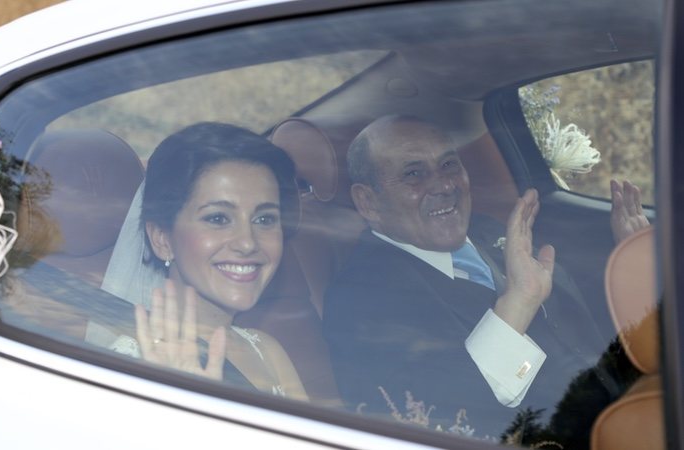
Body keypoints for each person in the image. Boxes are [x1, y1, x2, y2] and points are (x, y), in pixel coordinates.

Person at [322, 115, 649, 438]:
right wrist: (518, 304)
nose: (444, 185)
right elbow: (440, 417)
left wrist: (633, 267)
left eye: (449, 165)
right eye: (414, 174)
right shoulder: (358, 298)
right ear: (368, 202)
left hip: (630, 402)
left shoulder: (487, 230)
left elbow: (572, 312)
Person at [97, 122, 307, 400]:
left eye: (264, 219)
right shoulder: (130, 366)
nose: (247, 242)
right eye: (218, 218)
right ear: (162, 239)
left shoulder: (267, 350)